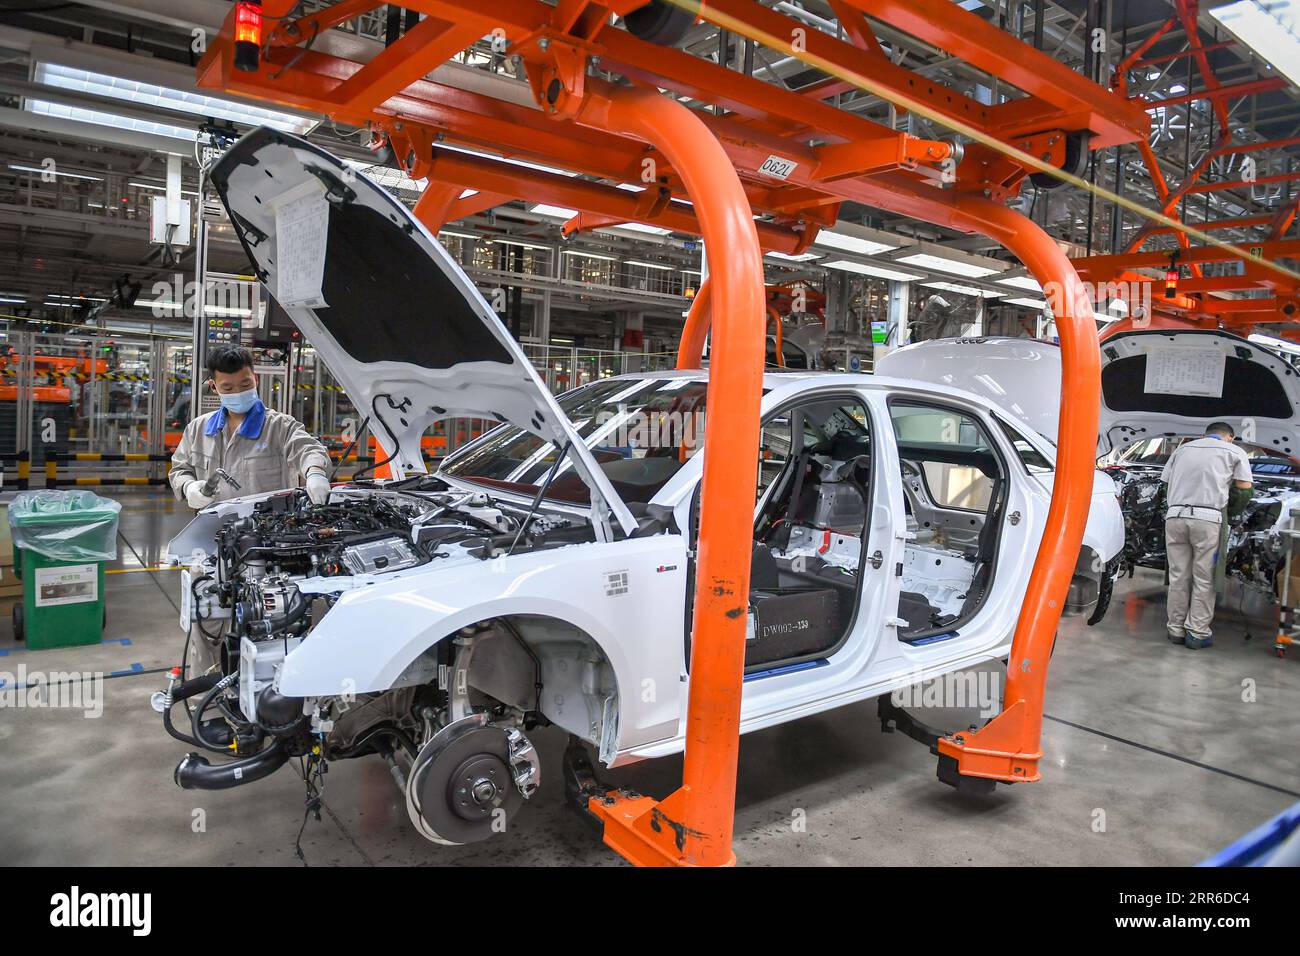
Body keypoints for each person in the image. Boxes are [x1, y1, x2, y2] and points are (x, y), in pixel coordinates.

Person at [170, 346, 332, 509]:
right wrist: (188, 486)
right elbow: (180, 469)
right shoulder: (197, 429)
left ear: (256, 379)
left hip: (266, 529)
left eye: (245, 384)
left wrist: (315, 473)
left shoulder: (280, 426)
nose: (238, 392)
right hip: (213, 528)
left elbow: (308, 450)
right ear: (213, 387)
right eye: (228, 388)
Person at [1160, 421, 1253, 649]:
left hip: (1175, 517)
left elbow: (1165, 485)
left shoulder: (1182, 449)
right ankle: (1197, 633)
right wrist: (1229, 512)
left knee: (1178, 576)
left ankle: (1176, 629)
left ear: (1205, 435)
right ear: (1230, 437)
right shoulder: (1234, 451)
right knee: (1205, 577)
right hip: (1208, 520)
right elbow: (1244, 488)